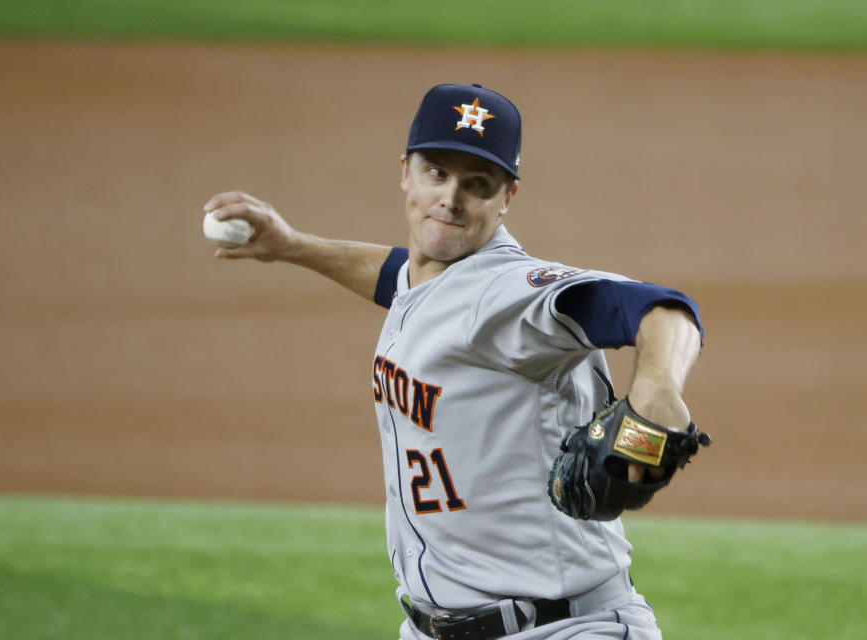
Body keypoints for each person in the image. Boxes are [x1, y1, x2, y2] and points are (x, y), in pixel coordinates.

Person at [204, 83, 703, 640]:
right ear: (406, 171)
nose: (451, 198)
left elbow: (659, 308)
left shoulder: (509, 293)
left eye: (477, 184)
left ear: (507, 197)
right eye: (437, 173)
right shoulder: (430, 281)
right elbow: (402, 277)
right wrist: (293, 245)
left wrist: (657, 386)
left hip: (564, 629)